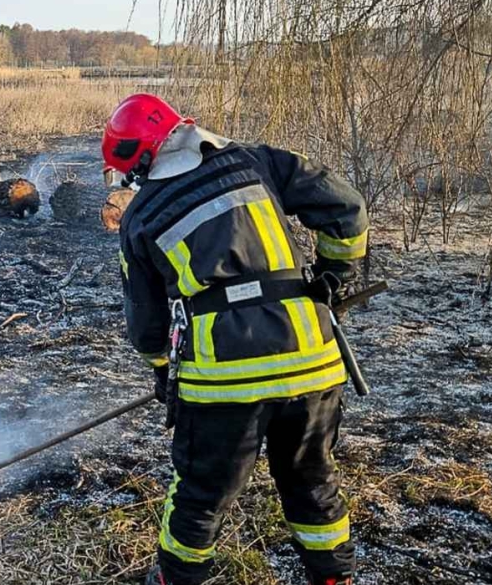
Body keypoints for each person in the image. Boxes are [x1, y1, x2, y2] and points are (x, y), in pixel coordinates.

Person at [102, 94, 368, 585]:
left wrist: (162, 368)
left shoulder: (140, 218)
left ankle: (176, 579)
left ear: (140, 161)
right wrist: (334, 272)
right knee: (312, 479)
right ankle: (335, 578)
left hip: (224, 383)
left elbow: (145, 324)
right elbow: (346, 207)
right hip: (312, 361)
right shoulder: (255, 160)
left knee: (202, 494)